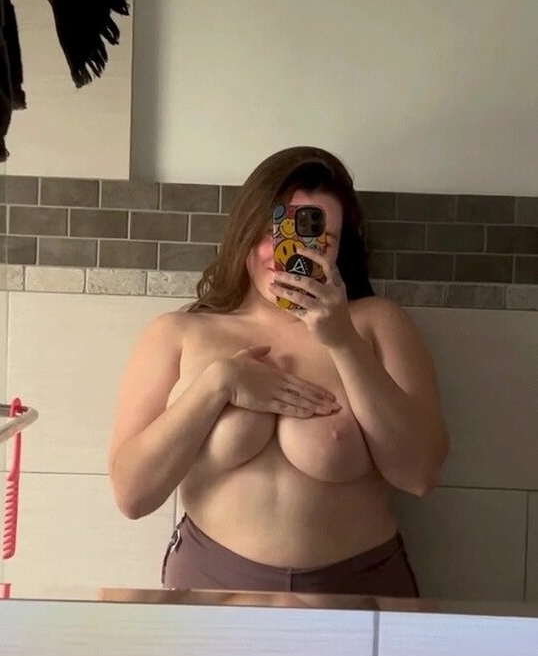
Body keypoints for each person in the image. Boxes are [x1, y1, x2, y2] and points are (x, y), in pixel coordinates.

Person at [108, 146, 450, 595]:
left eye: (317, 237)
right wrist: (218, 384)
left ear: (338, 249)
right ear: (247, 230)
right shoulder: (177, 333)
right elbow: (131, 495)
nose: (285, 252)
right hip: (210, 586)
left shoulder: (377, 323)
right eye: (275, 230)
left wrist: (343, 342)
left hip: (359, 588)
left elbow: (419, 475)